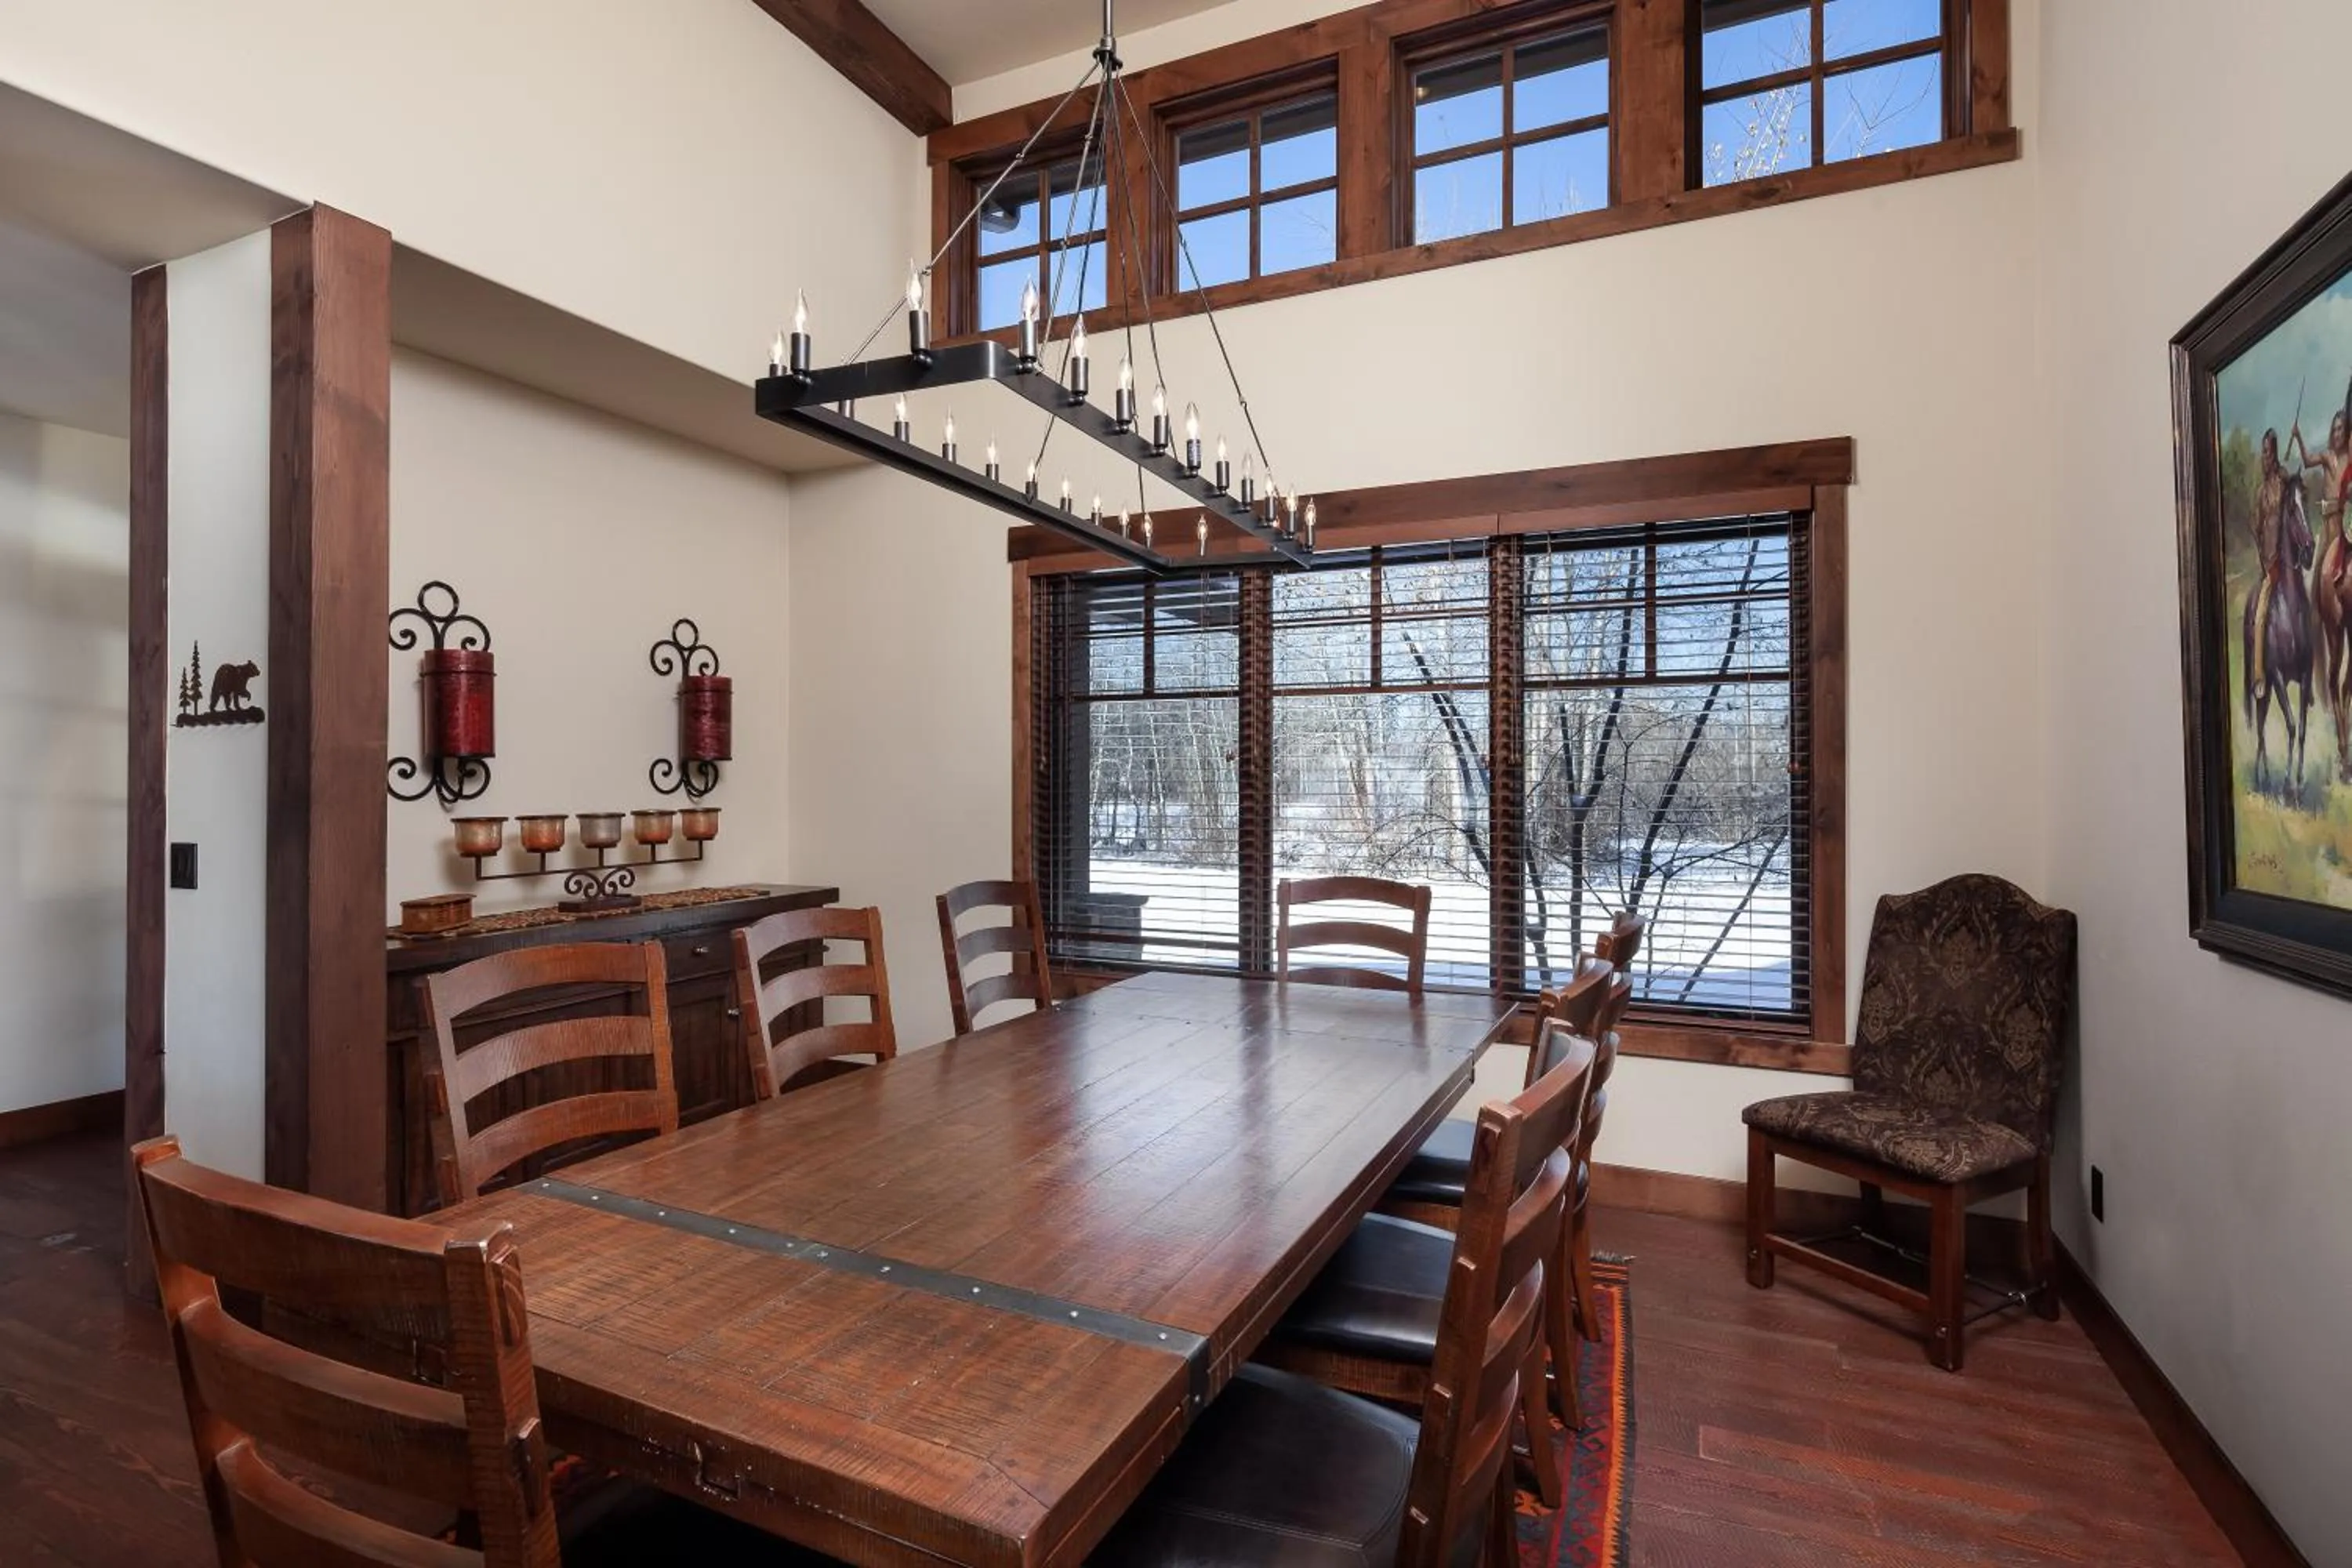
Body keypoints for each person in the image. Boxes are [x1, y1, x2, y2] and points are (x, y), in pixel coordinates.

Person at [2292, 409, 2352, 588]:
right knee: (2319, 575)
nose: (2337, 434)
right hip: (2328, 525)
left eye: (2340, 429)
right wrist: (2299, 437)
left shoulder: (2350, 459)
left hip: (2344, 522)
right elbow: (2308, 461)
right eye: (2334, 430)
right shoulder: (2326, 456)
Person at [2252, 428, 2289, 686]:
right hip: (2269, 564)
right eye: (2263, 452)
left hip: (2286, 561)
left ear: (2275, 453)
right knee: (2261, 613)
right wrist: (2265, 564)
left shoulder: (2283, 481)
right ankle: (2258, 675)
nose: (2265, 457)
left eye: (2268, 452)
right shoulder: (2260, 493)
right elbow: (2256, 530)